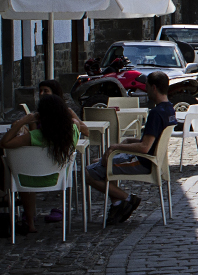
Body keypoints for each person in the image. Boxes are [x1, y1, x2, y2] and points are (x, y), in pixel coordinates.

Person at [84, 70, 175, 224]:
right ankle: (118, 204)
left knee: (87, 173)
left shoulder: (155, 113)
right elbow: (152, 141)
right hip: (152, 159)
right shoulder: (169, 109)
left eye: (145, 86)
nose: (144, 89)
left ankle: (128, 199)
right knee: (103, 162)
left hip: (143, 162)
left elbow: (145, 147)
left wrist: (114, 147)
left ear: (153, 88)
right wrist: (127, 142)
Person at [1, 94, 80, 235]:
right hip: (59, 178)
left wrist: (21, 122)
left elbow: (5, 143)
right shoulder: (72, 131)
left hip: (27, 180)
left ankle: (30, 223)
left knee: (24, 173)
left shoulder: (35, 136)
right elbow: (79, 126)